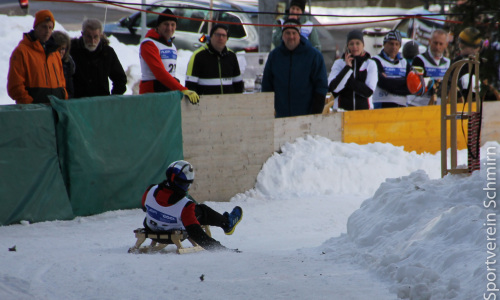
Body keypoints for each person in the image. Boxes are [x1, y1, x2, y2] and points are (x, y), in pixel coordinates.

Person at [141, 160, 242, 252]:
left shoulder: (150, 190)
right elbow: (196, 234)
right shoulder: (185, 206)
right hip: (174, 235)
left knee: (193, 211)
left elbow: (144, 207)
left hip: (151, 229)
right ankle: (227, 223)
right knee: (202, 211)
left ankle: (226, 222)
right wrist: (222, 250)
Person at [262, 19, 327, 118]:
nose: (291, 37)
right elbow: (267, 85)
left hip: (307, 116)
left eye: (294, 33)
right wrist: (268, 110)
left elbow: (321, 86)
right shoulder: (274, 56)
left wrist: (315, 114)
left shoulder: (314, 55)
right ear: (283, 36)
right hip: (281, 117)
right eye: (287, 33)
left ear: (299, 35)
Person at [139, 9, 199, 104]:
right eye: (166, 24)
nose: (169, 28)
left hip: (167, 91)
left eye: (172, 24)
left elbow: (170, 73)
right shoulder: (149, 43)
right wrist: (182, 89)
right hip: (151, 93)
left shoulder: (172, 45)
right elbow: (159, 72)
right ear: (158, 26)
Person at [7, 10, 67, 104]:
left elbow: (62, 82)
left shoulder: (54, 52)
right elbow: (15, 85)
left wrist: (63, 96)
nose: (47, 31)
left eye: (50, 27)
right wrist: (29, 104)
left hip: (55, 111)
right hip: (33, 113)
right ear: (36, 27)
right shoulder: (22, 51)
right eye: (44, 26)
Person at [71, 19, 127, 98]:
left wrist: (112, 100)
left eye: (95, 37)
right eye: (89, 37)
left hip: (101, 104)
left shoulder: (108, 53)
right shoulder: (72, 51)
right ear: (82, 34)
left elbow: (120, 79)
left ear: (100, 35)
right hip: (77, 103)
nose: (92, 41)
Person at [185, 24, 244, 95]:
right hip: (206, 104)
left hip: (228, 104)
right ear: (211, 36)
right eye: (218, 35)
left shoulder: (231, 56)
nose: (221, 38)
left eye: (224, 35)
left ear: (227, 38)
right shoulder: (198, 56)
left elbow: (238, 85)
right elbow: (190, 85)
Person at [327, 29, 378, 110]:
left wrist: (346, 81)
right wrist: (347, 68)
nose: (355, 46)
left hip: (364, 112)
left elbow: (368, 91)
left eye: (358, 43)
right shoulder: (339, 63)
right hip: (341, 112)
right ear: (347, 46)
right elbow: (334, 88)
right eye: (351, 44)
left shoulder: (370, 64)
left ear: (363, 45)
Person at [408, 29, 450, 106]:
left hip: (437, 107)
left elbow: (450, 84)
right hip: (418, 105)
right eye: (435, 43)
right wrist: (438, 84)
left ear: (446, 45)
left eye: (441, 44)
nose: (438, 47)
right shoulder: (419, 59)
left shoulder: (448, 62)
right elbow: (418, 82)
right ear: (430, 41)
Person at [372, 30, 411, 108]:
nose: (394, 47)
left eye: (397, 44)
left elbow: (411, 86)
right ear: (384, 44)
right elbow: (383, 82)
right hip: (382, 104)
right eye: (391, 44)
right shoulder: (376, 60)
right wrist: (404, 81)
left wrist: (390, 82)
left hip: (401, 105)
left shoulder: (404, 62)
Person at [449, 27, 482, 101]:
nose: (460, 46)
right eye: (460, 43)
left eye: (464, 45)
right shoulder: (457, 62)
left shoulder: (481, 64)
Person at [52, 31, 75, 98]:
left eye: (63, 48)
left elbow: (70, 87)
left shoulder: (69, 64)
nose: (60, 51)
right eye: (58, 48)